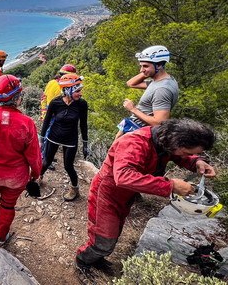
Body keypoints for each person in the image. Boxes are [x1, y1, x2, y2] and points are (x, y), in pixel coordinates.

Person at [76, 118, 216, 276]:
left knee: (115, 230)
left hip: (127, 193)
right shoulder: (135, 142)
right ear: (177, 143)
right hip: (107, 193)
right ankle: (83, 259)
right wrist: (171, 185)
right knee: (104, 235)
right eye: (189, 153)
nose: (189, 155)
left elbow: (178, 155)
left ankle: (97, 256)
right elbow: (123, 177)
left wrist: (195, 162)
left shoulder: (164, 141)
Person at [0, 75, 42, 248]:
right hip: (16, 176)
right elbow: (33, 154)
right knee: (8, 205)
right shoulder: (26, 123)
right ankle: (0, 237)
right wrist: (36, 173)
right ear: (16, 98)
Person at [39, 73, 89, 201]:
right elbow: (47, 121)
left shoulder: (82, 104)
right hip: (53, 136)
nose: (81, 94)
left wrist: (85, 143)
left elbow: (83, 124)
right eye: (77, 91)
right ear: (68, 90)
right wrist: (42, 138)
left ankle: (75, 189)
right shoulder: (56, 103)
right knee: (46, 161)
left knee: (68, 166)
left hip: (70, 139)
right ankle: (37, 178)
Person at [115, 45, 179, 139]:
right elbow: (131, 83)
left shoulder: (162, 89)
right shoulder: (158, 81)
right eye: (141, 66)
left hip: (138, 135)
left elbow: (159, 122)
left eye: (145, 66)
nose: (141, 70)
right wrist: (147, 72)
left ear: (159, 65)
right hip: (133, 130)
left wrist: (133, 109)